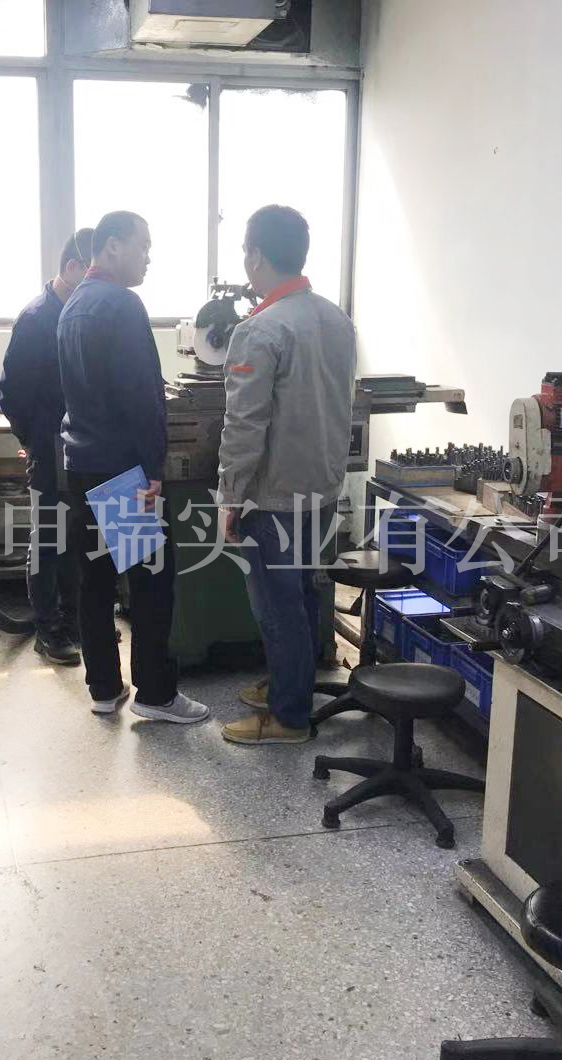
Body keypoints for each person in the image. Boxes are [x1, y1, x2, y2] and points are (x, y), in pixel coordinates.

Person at [58, 211, 210, 724]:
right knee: (151, 581)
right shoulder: (122, 304)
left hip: (81, 463)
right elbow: (144, 397)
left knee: (95, 582)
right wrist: (153, 468)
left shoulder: (73, 304)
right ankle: (156, 694)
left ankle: (104, 687)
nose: (148, 256)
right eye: (142, 245)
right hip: (122, 470)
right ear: (113, 246)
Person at [217, 205, 356, 746]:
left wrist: (230, 498)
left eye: (244, 251)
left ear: (256, 256)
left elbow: (244, 426)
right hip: (322, 488)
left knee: (278, 609)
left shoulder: (260, 329)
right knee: (300, 593)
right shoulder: (336, 319)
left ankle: (290, 717)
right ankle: (288, 683)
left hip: (273, 497)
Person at [0, 228, 94, 666]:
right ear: (72, 268)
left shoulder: (83, 312)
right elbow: (12, 394)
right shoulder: (37, 319)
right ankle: (47, 629)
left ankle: (74, 620)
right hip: (50, 444)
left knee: (77, 538)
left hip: (83, 445)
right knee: (50, 538)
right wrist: (34, 441)